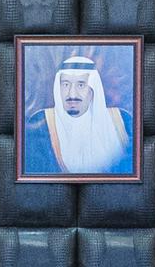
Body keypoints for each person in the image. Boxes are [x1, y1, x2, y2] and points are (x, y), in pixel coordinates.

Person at [28, 51, 137, 179]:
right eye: (66, 85)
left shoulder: (123, 121)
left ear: (93, 89)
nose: (72, 94)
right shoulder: (41, 122)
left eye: (81, 85)